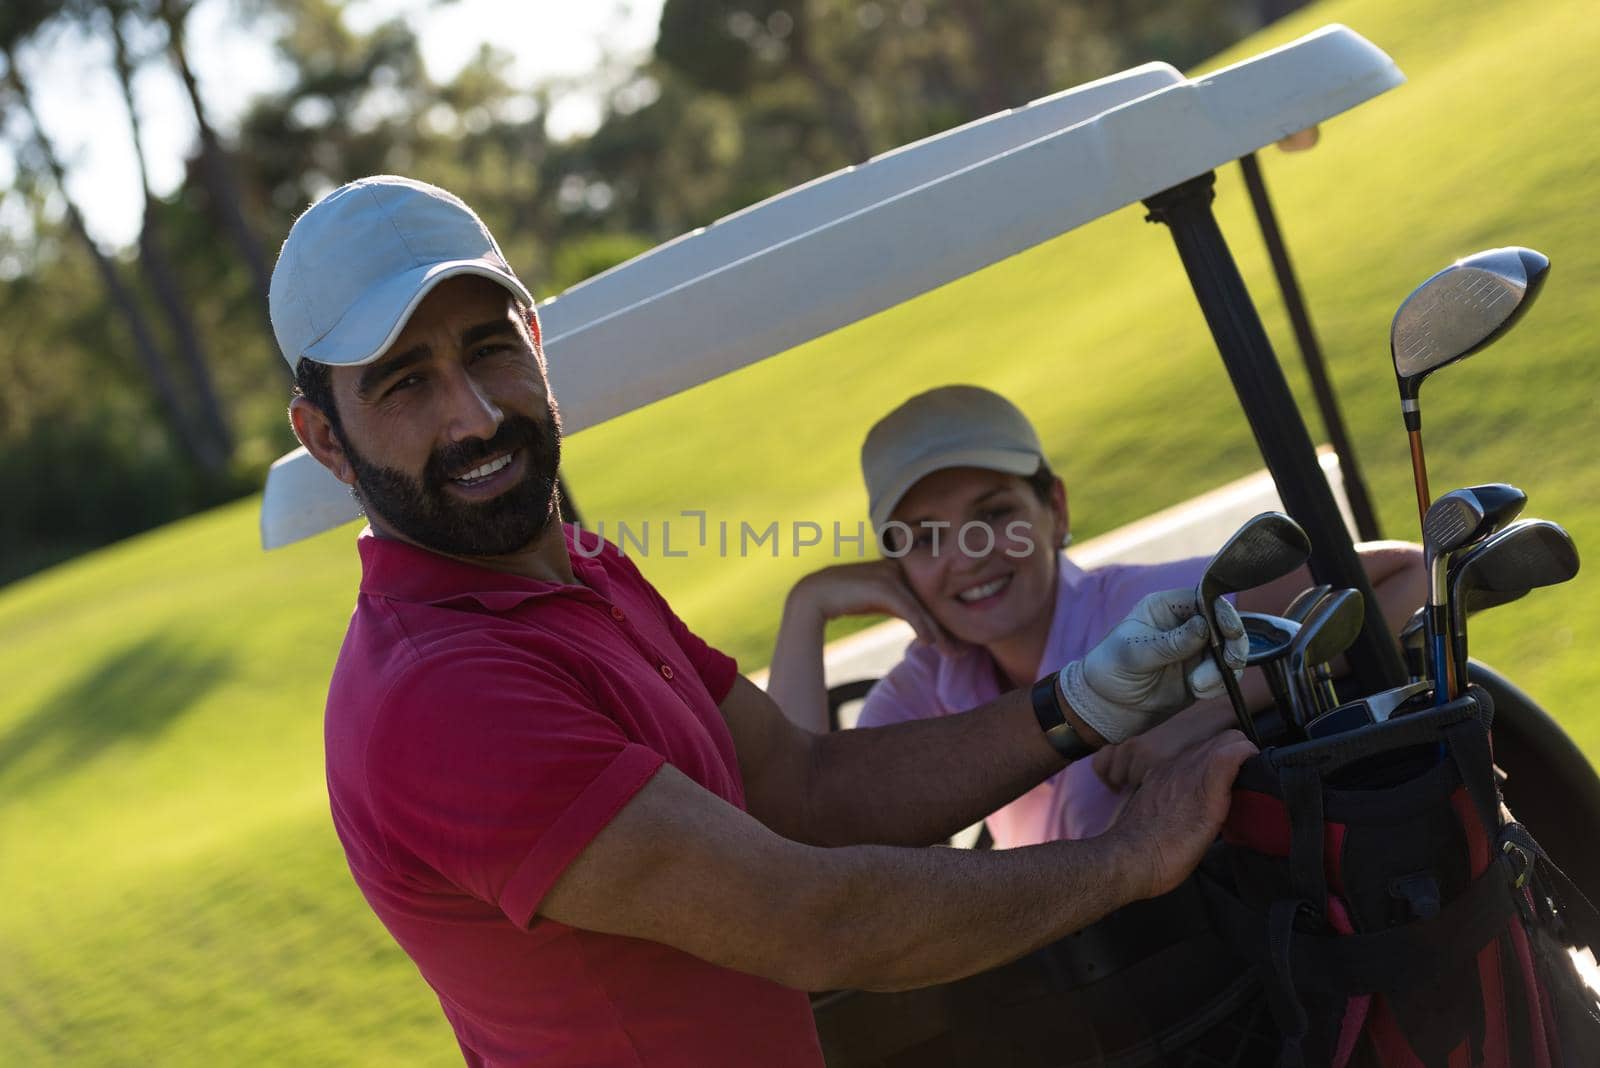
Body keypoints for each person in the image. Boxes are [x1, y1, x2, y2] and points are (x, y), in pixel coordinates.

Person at [275, 175, 1258, 1068]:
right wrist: (1127, 861)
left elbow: (804, 786)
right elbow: (813, 919)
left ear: (533, 342)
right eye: (406, 383)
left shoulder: (586, 575)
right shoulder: (443, 691)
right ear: (325, 437)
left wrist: (1078, 703)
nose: (476, 417)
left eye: (488, 349)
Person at [769, 385, 1426, 846]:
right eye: (926, 538)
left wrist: (1211, 709)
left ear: (1054, 509)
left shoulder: (1143, 609)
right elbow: (803, 822)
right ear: (898, 565)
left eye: (995, 516)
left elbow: (1411, 572)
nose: (968, 556)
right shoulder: (923, 689)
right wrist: (808, 607)